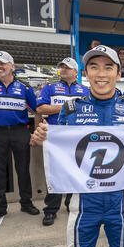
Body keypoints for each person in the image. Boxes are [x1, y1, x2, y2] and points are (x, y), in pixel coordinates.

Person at [31, 45, 124, 247]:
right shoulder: (71, 109)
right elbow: (60, 149)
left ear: (118, 74)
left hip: (120, 204)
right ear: (85, 74)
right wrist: (42, 138)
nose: (101, 73)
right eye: (94, 67)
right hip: (83, 204)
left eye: (108, 67)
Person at [0, 51, 40, 223]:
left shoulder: (25, 87)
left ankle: (26, 203)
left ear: (12, 66)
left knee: (23, 170)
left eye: (2, 63)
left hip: (20, 131)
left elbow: (38, 111)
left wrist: (35, 133)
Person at [36, 57, 90, 226]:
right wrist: (68, 106)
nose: (64, 70)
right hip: (56, 136)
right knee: (55, 174)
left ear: (76, 72)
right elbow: (40, 108)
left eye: (68, 68)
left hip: (77, 136)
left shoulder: (84, 90)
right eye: (62, 67)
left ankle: (70, 204)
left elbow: (90, 110)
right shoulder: (50, 88)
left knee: (75, 171)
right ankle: (51, 210)